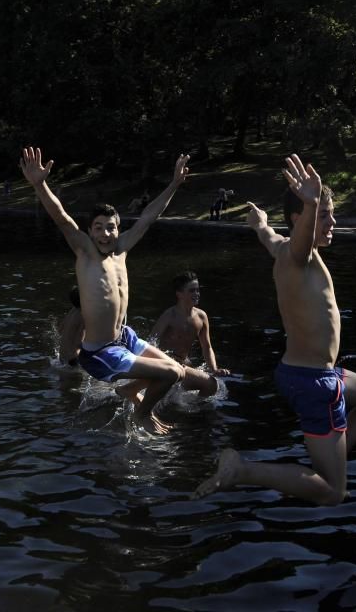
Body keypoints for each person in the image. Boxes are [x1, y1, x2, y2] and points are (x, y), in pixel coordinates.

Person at [193, 154, 356, 506]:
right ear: (300, 220)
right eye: (325, 215)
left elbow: (268, 236)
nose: (333, 221)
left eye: (330, 213)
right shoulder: (301, 258)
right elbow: (298, 238)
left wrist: (259, 223)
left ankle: (333, 451)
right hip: (315, 381)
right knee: (333, 493)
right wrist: (312, 201)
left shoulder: (284, 249)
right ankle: (244, 470)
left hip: (299, 371)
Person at [20, 147, 219, 432]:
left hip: (125, 338)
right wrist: (39, 184)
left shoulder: (122, 249)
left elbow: (149, 216)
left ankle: (129, 391)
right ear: (90, 232)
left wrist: (174, 183)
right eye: (98, 228)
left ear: (118, 228)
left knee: (185, 375)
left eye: (111, 228)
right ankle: (142, 415)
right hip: (101, 352)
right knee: (172, 372)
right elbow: (61, 217)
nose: (105, 234)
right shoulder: (86, 253)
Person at [149, 271, 230, 376]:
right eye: (192, 291)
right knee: (207, 384)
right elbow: (150, 342)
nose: (197, 294)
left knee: (212, 385)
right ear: (179, 294)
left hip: (183, 363)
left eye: (197, 290)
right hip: (166, 363)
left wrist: (214, 369)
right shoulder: (169, 315)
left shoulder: (201, 316)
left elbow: (207, 347)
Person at [58, 285, 84, 366]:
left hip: (62, 356)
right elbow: (79, 342)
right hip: (73, 358)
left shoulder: (73, 310)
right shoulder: (84, 315)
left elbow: (60, 329)